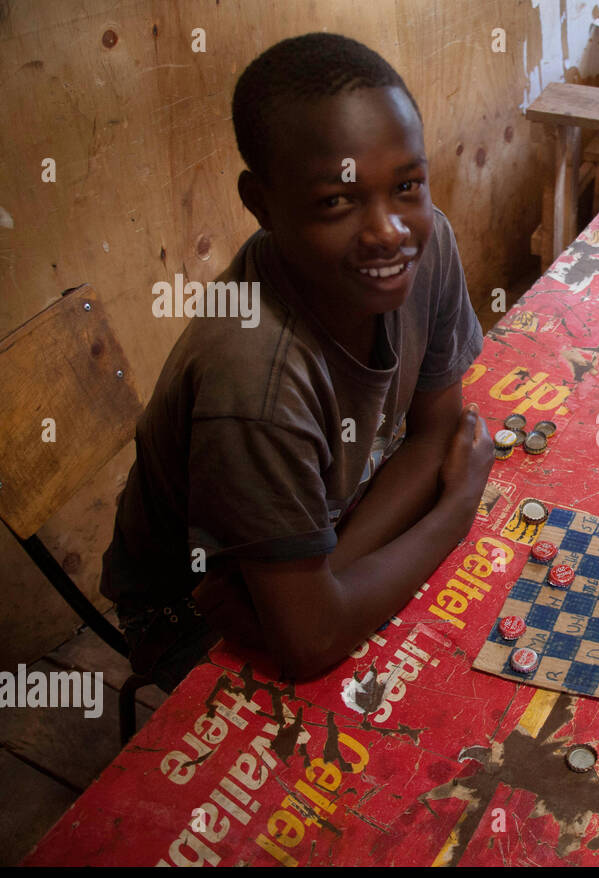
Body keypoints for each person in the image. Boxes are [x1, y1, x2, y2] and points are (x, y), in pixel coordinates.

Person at [100, 33, 494, 688]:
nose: (388, 231)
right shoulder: (255, 379)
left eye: (406, 185)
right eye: (337, 201)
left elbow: (432, 437)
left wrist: (328, 579)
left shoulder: (428, 247)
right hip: (192, 611)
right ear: (260, 203)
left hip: (322, 537)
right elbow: (309, 645)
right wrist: (457, 509)